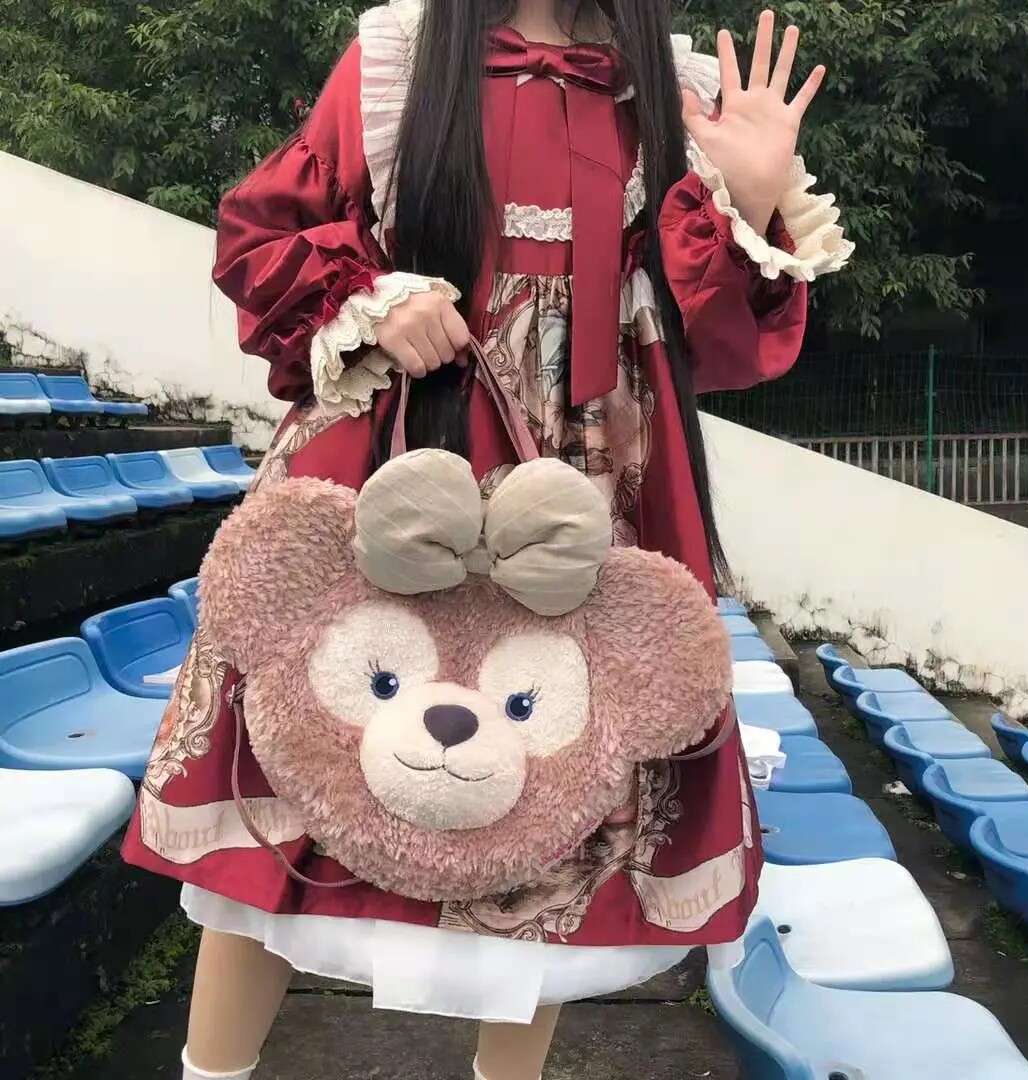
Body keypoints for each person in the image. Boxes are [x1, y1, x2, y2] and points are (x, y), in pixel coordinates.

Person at [122, 3, 852, 1078]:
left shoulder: (671, 94)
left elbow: (719, 342)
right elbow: (262, 236)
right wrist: (371, 300)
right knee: (300, 757)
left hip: (590, 481)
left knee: (557, 771)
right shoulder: (398, 59)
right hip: (394, 455)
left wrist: (744, 200)